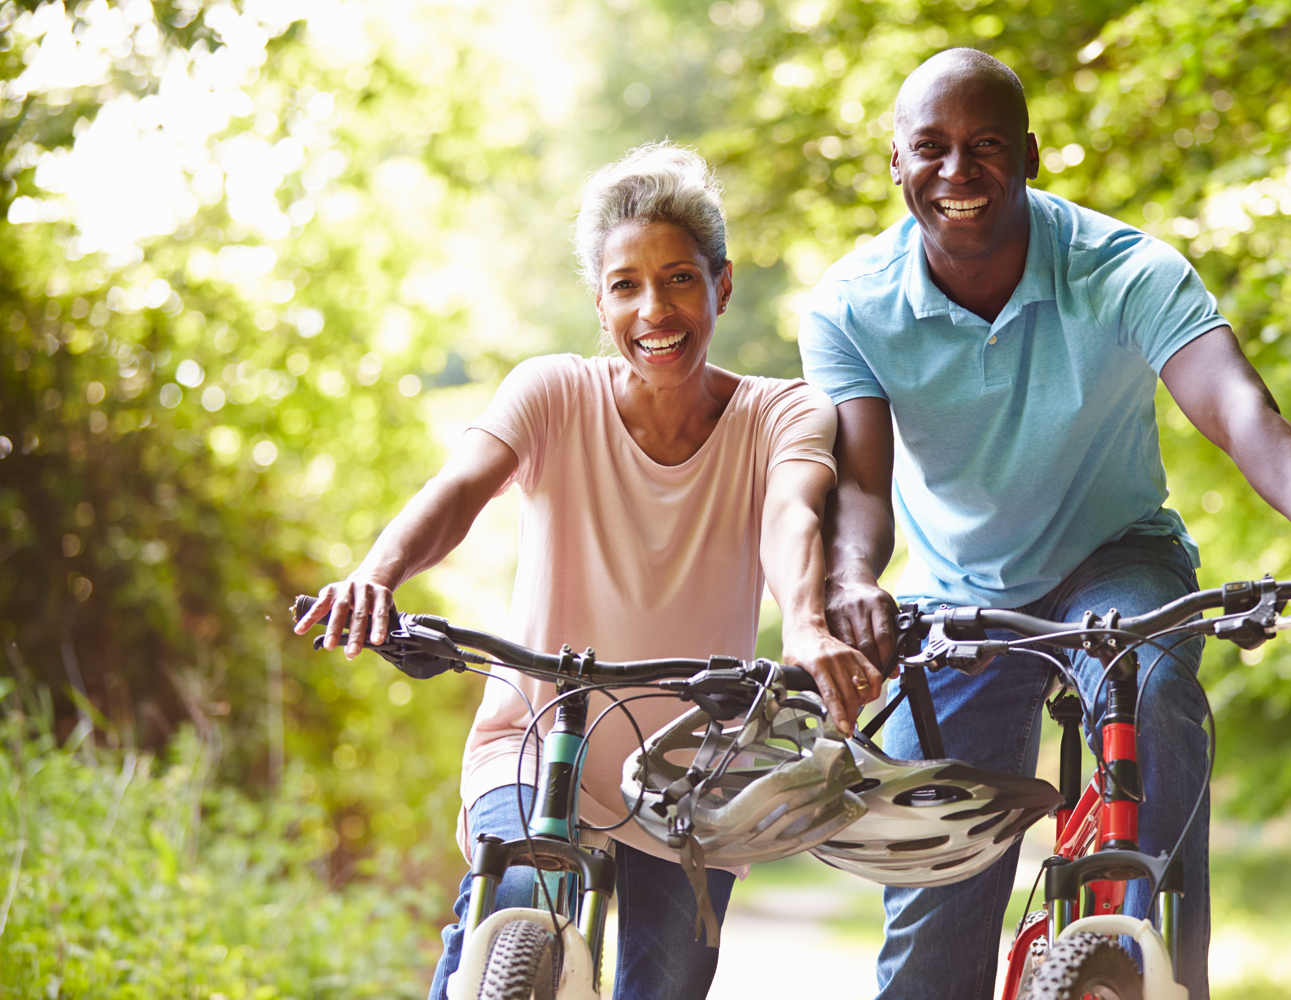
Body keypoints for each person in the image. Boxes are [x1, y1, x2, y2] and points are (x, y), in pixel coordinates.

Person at [800, 49, 1291, 1000]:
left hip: (1115, 559)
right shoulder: (848, 307)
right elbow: (861, 487)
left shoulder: (1125, 271)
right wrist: (855, 580)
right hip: (958, 591)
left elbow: (1241, 411)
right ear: (895, 166)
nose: (959, 173)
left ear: (1030, 154)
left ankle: (1155, 955)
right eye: (932, 149)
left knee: (1150, 684)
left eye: (986, 146)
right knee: (933, 896)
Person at [296, 143, 881, 1000]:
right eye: (626, 285)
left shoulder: (782, 412)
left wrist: (804, 622)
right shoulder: (551, 393)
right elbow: (457, 491)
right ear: (600, 302)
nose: (655, 309)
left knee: (668, 980)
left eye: (680, 278)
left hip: (693, 773)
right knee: (515, 905)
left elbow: (790, 515)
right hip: (534, 739)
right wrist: (377, 573)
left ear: (722, 286)